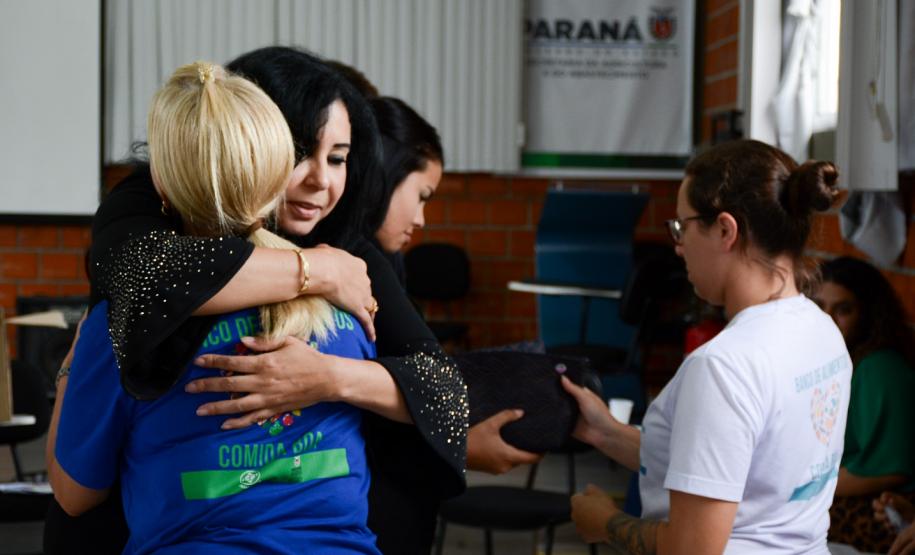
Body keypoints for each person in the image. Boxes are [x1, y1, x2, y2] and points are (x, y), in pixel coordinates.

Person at [45, 48, 467, 555]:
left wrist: (326, 378)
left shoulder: (118, 329)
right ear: (256, 151)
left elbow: (73, 492)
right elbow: (157, 275)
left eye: (338, 158)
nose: (321, 180)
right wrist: (318, 272)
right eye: (298, 154)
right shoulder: (348, 299)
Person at [561, 139, 850, 553]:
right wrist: (606, 433)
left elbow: (692, 550)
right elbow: (737, 471)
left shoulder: (724, 366)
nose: (678, 246)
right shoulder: (821, 330)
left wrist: (606, 522)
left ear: (725, 230)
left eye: (683, 226)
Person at [366, 95, 541, 475]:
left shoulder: (379, 260)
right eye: (421, 197)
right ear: (385, 173)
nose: (421, 219)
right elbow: (437, 385)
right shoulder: (355, 259)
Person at [812, 256, 915, 552]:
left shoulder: (881, 369)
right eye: (819, 307)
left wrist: (800, 486)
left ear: (869, 314)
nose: (828, 319)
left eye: (843, 309)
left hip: (877, 508)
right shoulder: (838, 359)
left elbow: (890, 470)